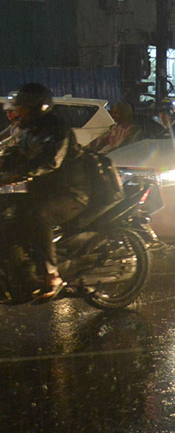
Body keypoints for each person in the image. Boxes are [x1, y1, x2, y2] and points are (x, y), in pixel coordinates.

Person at [0, 84, 92, 300]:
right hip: (43, 192)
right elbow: (14, 155)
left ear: (36, 108)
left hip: (71, 193)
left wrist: (17, 175)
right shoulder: (30, 131)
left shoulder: (57, 129)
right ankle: (18, 264)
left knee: (38, 215)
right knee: (5, 208)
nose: (17, 112)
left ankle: (52, 275)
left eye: (21, 108)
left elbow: (51, 160)